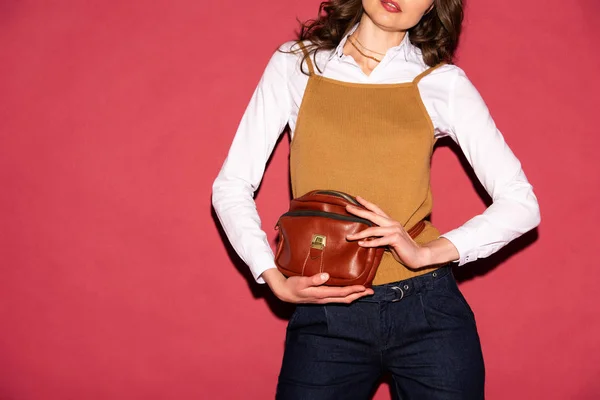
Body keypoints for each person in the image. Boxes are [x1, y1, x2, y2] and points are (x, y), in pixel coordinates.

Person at [211, 0, 541, 398]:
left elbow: (521, 204)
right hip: (327, 316)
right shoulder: (297, 65)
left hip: (428, 312)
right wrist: (271, 275)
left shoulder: (440, 81)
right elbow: (231, 184)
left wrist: (427, 253)